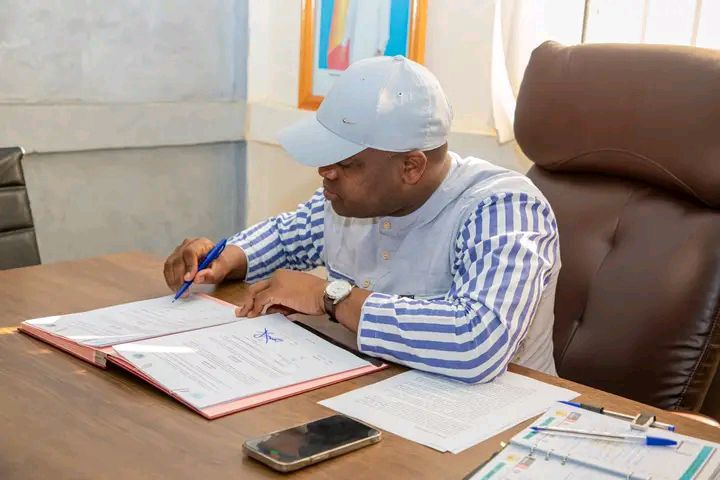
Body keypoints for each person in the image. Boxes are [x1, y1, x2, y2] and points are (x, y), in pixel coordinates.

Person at [163, 55, 561, 383]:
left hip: (496, 423)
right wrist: (225, 257)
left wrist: (329, 298)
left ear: (410, 166)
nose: (325, 172)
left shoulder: (503, 208)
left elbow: (476, 342)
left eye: (345, 163)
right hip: (377, 391)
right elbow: (287, 236)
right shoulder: (350, 202)